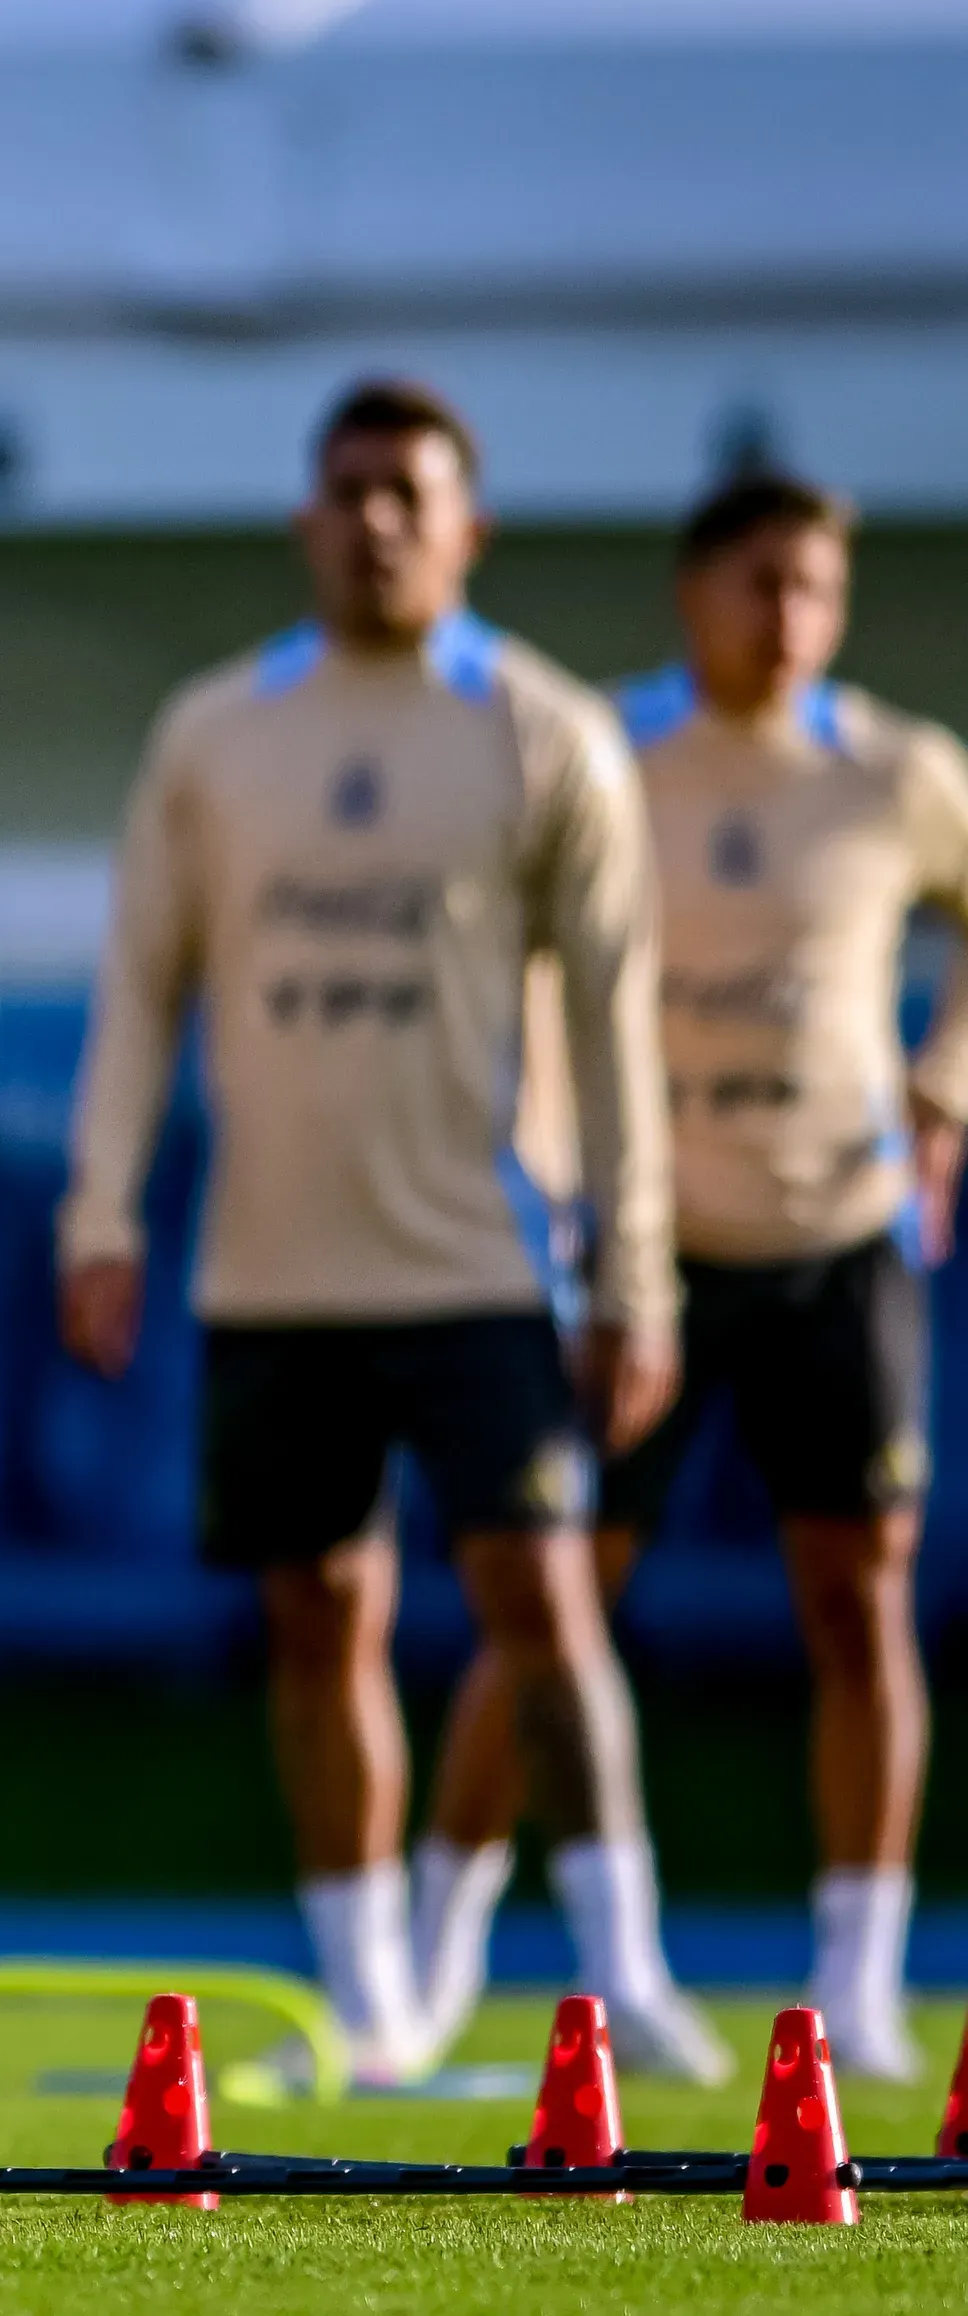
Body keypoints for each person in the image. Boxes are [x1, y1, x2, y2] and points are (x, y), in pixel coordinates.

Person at [58, 378, 725, 2085]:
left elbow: (611, 1028)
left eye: (408, 496)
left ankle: (624, 1969)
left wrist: (633, 1273)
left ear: (467, 527)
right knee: (316, 1621)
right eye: (347, 492)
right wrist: (101, 1214)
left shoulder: (545, 730)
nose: (375, 523)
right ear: (307, 518)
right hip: (274, 1278)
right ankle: (370, 2003)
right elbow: (141, 993)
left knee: (541, 1606)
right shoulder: (216, 733)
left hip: (485, 1269)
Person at [412, 472, 968, 2079]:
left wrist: (944, 1092)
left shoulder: (896, 772)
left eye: (815, 589)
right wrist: (559, 1173)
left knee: (860, 1603)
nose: (786, 618)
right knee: (551, 1599)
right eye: (758, 585)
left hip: (838, 1246)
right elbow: (509, 966)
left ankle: (858, 1983)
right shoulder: (604, 753)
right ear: (692, 593)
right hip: (643, 1259)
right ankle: (431, 1969)